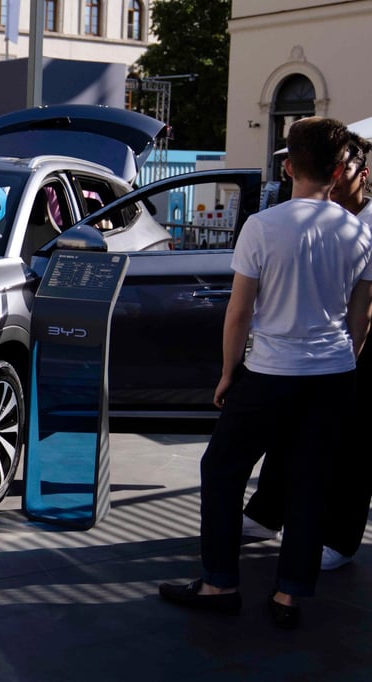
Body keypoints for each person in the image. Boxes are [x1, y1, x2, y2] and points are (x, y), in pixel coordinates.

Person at [158, 117, 372, 630]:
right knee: (309, 481)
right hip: (334, 374)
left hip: (271, 371)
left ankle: (219, 583)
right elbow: (362, 315)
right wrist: (345, 361)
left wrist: (229, 372)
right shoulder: (357, 232)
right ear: (341, 169)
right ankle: (289, 596)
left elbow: (239, 312)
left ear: (288, 166)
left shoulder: (263, 226)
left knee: (222, 468)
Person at [242, 132, 372, 571]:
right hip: (318, 354)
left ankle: (340, 539)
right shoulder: (317, 216)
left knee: (353, 448)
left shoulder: (364, 224)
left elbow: (364, 304)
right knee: (289, 432)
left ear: (361, 175)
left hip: (350, 352)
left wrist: (351, 355)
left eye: (346, 170)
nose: (336, 180)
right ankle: (266, 513)